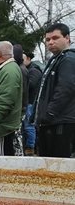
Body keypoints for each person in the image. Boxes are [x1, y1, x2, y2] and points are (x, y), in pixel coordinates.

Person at [34, 22, 75, 158]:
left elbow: (66, 89)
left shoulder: (68, 59)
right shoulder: (55, 59)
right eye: (47, 39)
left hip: (61, 122)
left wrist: (49, 113)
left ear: (67, 38)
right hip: (51, 122)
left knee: (58, 167)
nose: (51, 42)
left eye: (55, 38)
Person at [22, 51, 42, 155]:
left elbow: (31, 84)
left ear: (29, 58)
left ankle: (30, 147)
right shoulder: (30, 69)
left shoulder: (34, 70)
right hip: (29, 101)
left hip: (31, 101)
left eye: (23, 58)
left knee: (29, 126)